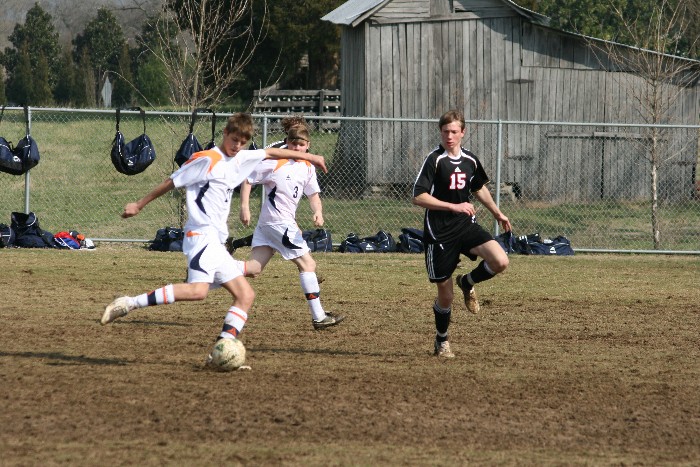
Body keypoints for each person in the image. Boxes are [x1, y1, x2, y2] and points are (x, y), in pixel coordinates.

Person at [101, 113, 328, 357]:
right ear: (225, 134)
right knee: (198, 292)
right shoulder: (206, 159)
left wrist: (312, 157)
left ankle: (220, 351)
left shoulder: (240, 157)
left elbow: (272, 153)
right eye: (234, 140)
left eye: (242, 142)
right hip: (201, 236)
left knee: (245, 295)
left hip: (217, 243)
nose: (237, 146)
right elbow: (171, 181)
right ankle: (129, 303)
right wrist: (139, 204)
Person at [412, 109, 511, 358]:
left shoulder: (470, 160)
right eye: (445, 131)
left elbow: (478, 188)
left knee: (500, 260)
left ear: (463, 133)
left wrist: (497, 213)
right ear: (440, 132)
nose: (449, 136)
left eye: (454, 131)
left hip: (465, 226)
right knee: (446, 297)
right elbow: (418, 196)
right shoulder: (435, 160)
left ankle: (467, 282)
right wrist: (453, 206)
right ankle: (442, 340)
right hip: (439, 234)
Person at [237, 122, 344, 330]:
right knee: (308, 265)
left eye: (301, 145)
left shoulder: (308, 167)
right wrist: (244, 207)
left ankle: (210, 269)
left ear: (308, 145)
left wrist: (318, 211)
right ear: (287, 143)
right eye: (293, 144)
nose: (297, 148)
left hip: (270, 225)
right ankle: (319, 317)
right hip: (278, 223)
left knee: (253, 269)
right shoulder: (276, 162)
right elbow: (248, 179)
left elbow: (313, 195)